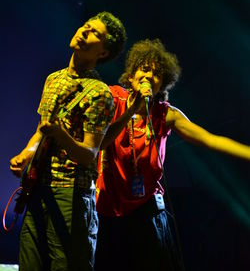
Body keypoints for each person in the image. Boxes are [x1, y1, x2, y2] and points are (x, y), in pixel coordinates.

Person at [95, 39, 250, 271]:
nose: (149, 75)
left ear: (163, 84)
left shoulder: (166, 114)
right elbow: (98, 140)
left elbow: (210, 139)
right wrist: (130, 110)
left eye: (157, 74)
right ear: (132, 73)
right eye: (144, 68)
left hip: (146, 212)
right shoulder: (112, 98)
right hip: (107, 210)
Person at [9, 11, 126, 271]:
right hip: (39, 189)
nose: (85, 31)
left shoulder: (99, 93)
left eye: (95, 33)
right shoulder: (53, 79)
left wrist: (62, 136)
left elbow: (89, 154)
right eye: (86, 26)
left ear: (103, 53)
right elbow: (41, 132)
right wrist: (25, 154)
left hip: (71, 194)